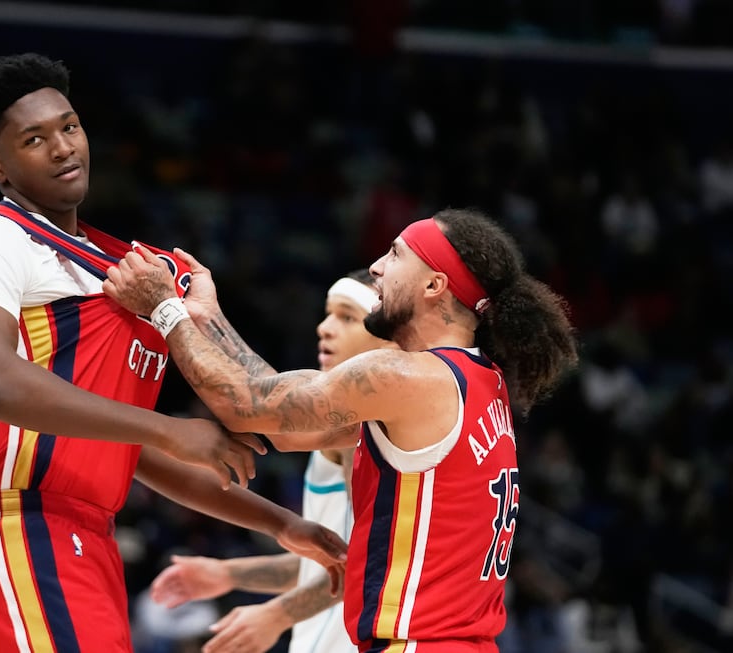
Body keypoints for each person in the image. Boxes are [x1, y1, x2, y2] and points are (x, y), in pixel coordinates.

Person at [0, 52, 347, 653]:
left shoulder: (128, 269)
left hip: (87, 534)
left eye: (70, 127)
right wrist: (169, 430)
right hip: (18, 520)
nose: (62, 147)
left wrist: (280, 523)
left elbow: (130, 447)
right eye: (34, 139)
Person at [103, 207, 580, 652]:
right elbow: (285, 427)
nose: (377, 267)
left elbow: (244, 406)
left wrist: (165, 309)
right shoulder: (480, 382)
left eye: (395, 254)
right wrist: (209, 319)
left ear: (434, 285)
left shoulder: (410, 377)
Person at [149, 269, 398, 653]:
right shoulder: (361, 423)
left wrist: (277, 614)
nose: (325, 328)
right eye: (328, 313)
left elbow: (370, 563)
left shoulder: (366, 427)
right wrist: (228, 573)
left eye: (347, 317)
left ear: (388, 339)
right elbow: (335, 558)